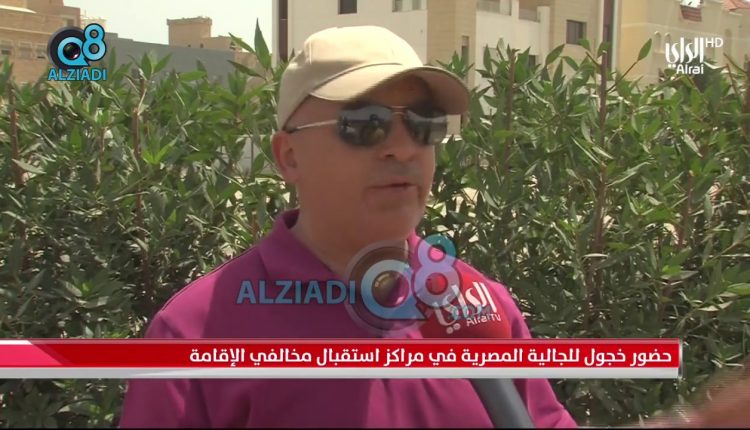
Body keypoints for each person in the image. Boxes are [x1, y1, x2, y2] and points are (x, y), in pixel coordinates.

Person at [118, 26, 748, 428]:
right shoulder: (194, 335)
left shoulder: (481, 308)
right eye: (364, 124)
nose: (402, 148)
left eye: (422, 125)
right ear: (289, 157)